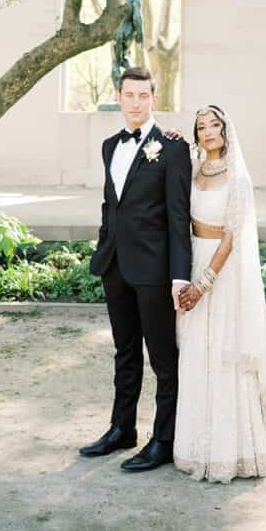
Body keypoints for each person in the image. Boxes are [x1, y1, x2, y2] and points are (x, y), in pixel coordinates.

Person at [79, 66, 192, 473]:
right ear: (120, 96)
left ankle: (163, 439)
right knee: (124, 352)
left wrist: (180, 276)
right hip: (116, 265)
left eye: (143, 95)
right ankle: (121, 428)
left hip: (155, 270)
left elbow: (179, 217)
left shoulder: (173, 148)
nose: (136, 102)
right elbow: (112, 205)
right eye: (129, 95)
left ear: (153, 99)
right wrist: (105, 243)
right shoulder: (110, 145)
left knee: (163, 358)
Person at [173, 105, 266, 483]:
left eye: (214, 125)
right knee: (195, 351)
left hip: (223, 271)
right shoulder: (193, 169)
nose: (208, 132)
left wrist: (204, 283)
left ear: (225, 129)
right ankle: (196, 446)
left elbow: (232, 235)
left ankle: (235, 449)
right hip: (193, 260)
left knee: (225, 351)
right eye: (201, 126)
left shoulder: (237, 178)